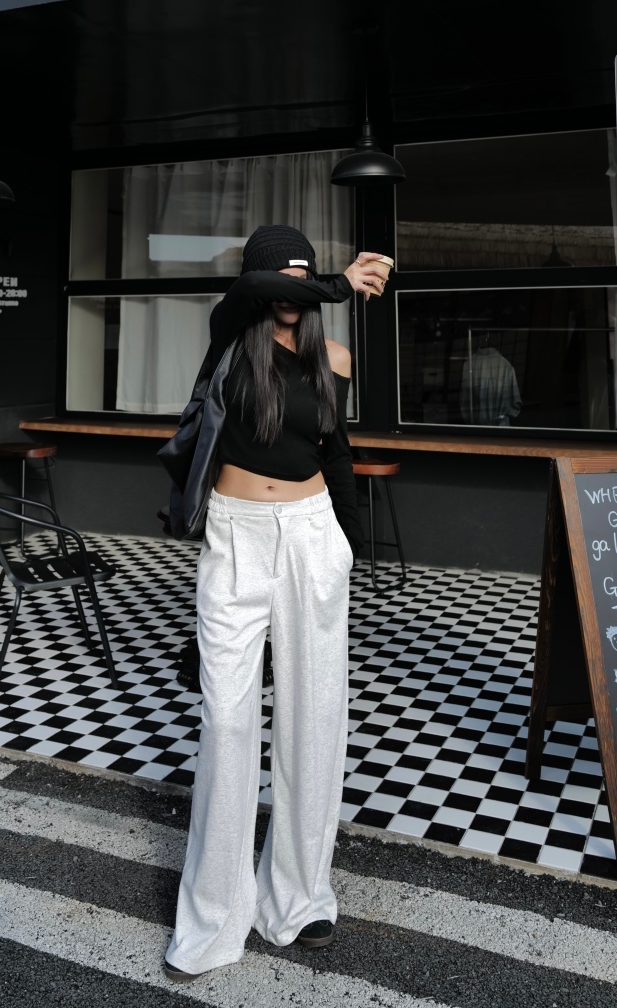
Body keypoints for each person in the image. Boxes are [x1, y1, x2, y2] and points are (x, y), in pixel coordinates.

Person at [165, 225, 388, 982]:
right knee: (227, 721)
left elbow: (336, 454)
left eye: (305, 280)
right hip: (236, 537)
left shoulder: (334, 359)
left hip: (313, 535)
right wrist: (336, 282)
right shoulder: (231, 335)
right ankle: (212, 917)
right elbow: (259, 289)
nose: (293, 295)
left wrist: (348, 548)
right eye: (284, 280)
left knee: (313, 716)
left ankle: (298, 896)